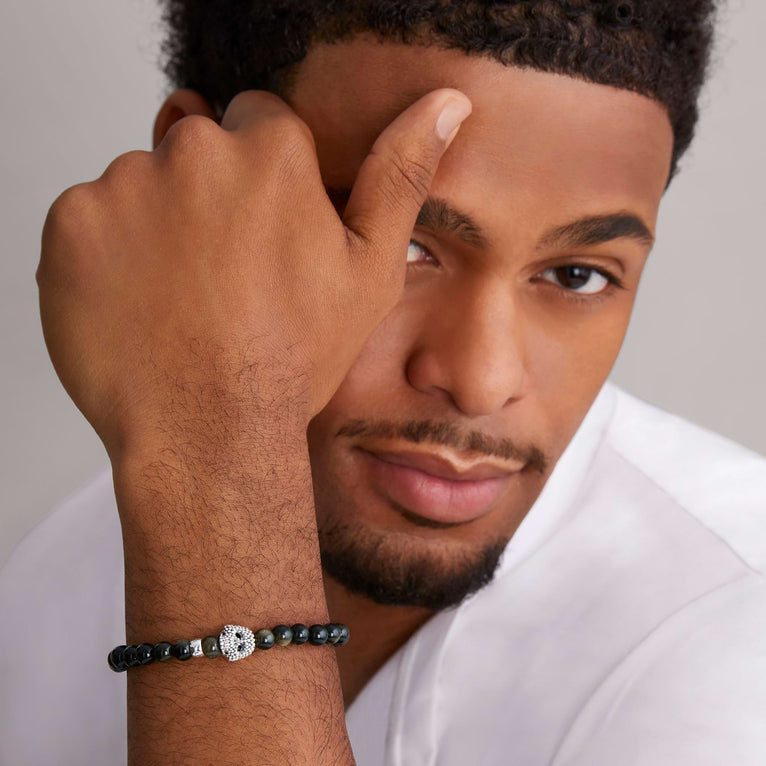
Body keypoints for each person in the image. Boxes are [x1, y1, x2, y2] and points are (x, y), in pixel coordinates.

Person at [2, 0, 765, 763]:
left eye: (577, 275)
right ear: (195, 182)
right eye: (401, 245)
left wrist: (214, 484)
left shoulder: (732, 643)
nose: (480, 381)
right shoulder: (60, 576)